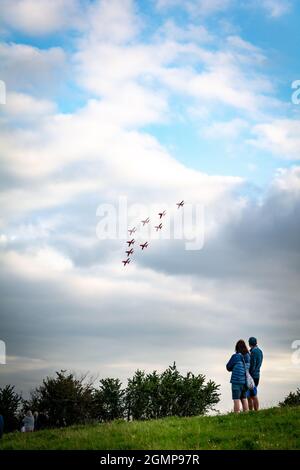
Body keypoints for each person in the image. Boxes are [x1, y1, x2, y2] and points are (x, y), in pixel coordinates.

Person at [226, 339, 250, 413]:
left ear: (237, 347)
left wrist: (234, 367)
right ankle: (246, 413)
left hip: (236, 381)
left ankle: (236, 415)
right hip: (245, 381)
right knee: (244, 398)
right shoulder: (248, 356)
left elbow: (228, 367)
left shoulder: (235, 356)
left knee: (236, 399)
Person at [247, 337, 263, 411]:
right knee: (254, 394)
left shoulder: (253, 352)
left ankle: (252, 411)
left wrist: (248, 374)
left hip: (252, 376)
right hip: (257, 375)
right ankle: (255, 411)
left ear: (249, 344)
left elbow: (252, 364)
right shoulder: (260, 351)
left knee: (250, 395)